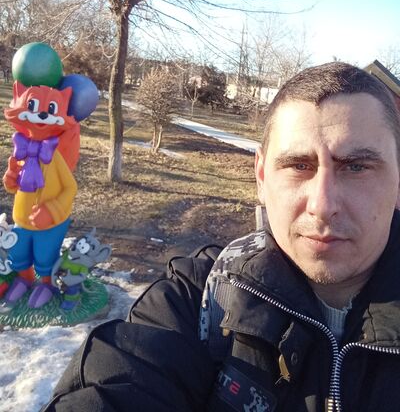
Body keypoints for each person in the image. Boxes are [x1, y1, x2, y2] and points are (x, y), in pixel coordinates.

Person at [42, 62, 400, 412]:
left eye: (356, 167)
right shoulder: (200, 299)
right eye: (298, 165)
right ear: (262, 176)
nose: (322, 206)